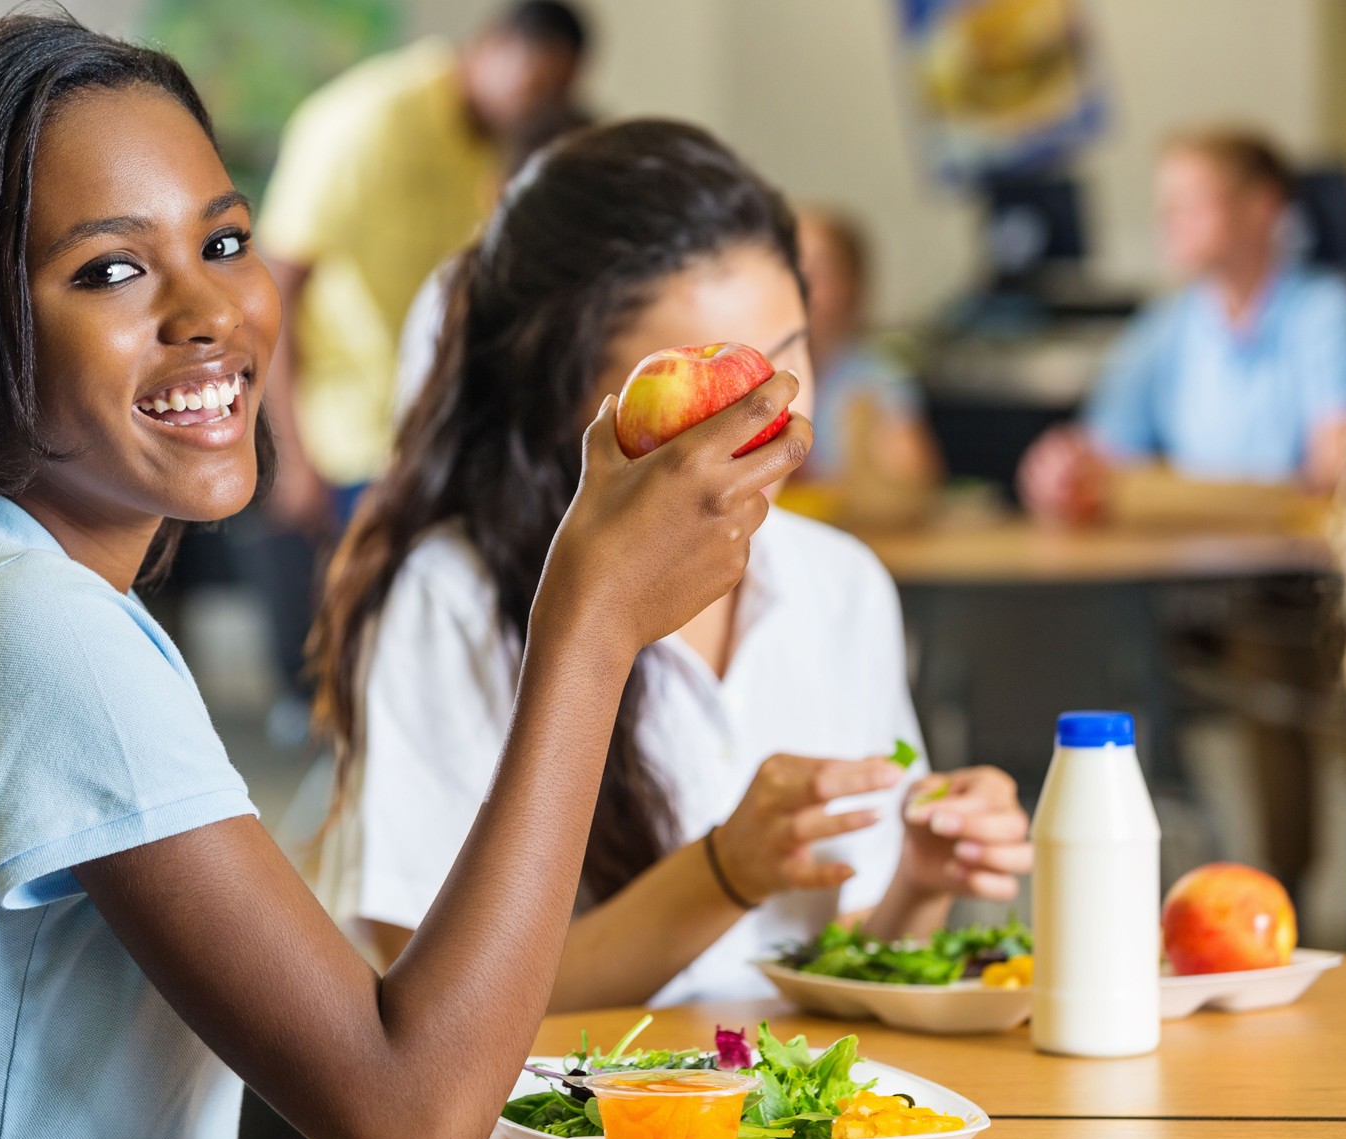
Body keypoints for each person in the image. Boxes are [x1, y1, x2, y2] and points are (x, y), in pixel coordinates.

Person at [0, 15, 810, 1139]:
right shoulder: (27, 630)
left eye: (227, 241)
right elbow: (417, 1122)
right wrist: (589, 624)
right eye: (107, 272)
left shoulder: (11, 594)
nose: (212, 310)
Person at [309, 120, 1032, 1011]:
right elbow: (432, 1015)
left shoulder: (840, 585)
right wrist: (723, 873)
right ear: (556, 392)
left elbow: (836, 979)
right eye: (701, 381)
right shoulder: (448, 600)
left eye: (789, 353)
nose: (764, 413)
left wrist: (920, 880)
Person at [256, 0, 588, 531]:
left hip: (436, 442)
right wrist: (290, 458)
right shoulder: (367, 121)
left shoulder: (501, 145)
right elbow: (275, 285)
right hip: (344, 445)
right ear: (491, 48)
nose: (541, 107)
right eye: (536, 86)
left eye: (559, 93)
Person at [1017, 128, 1346, 522]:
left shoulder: (1325, 313)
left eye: (1190, 203)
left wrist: (1151, 490)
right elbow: (1102, 459)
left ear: (1262, 205)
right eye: (1164, 205)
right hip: (1193, 555)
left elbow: (1334, 472)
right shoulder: (1162, 327)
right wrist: (1064, 475)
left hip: (1297, 562)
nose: (1167, 221)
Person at [797, 206, 941, 501]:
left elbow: (913, 483)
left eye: (818, 271)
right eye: (790, 267)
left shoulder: (876, 380)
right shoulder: (767, 377)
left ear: (851, 284)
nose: (801, 284)